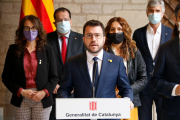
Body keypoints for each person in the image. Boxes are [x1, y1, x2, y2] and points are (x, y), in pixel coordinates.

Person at [57, 20, 134, 116]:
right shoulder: (72, 63)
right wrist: (63, 102)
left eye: (98, 35)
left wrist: (127, 100)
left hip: (109, 116)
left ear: (104, 39)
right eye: (89, 35)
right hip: (81, 116)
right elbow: (64, 89)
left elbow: (126, 88)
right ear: (83, 39)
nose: (94, 39)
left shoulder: (116, 62)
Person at [1, 15, 59, 120]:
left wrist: (44, 92)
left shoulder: (48, 50)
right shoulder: (13, 49)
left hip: (42, 98)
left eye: (33, 28)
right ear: (22, 30)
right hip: (21, 97)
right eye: (26, 28)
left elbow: (54, 77)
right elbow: (6, 78)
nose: (30, 31)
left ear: (38, 30)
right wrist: (22, 91)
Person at [132, 0, 172, 120]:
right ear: (147, 13)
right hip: (144, 85)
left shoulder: (171, 33)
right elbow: (135, 59)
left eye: (157, 11)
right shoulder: (138, 34)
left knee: (163, 117)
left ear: (163, 13)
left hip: (163, 83)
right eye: (151, 11)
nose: (154, 13)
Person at [103, 17, 147, 120]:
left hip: (130, 102)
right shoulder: (103, 52)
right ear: (108, 32)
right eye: (112, 29)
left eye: (119, 29)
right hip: (108, 102)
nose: (116, 32)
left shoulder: (134, 51)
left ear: (125, 31)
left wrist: (126, 91)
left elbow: (143, 78)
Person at [46, 7, 85, 120]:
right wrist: (51, 84)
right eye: (59, 20)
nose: (63, 22)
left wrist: (75, 84)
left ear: (71, 21)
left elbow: (85, 65)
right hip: (52, 92)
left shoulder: (81, 39)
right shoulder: (45, 40)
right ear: (54, 23)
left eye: (66, 19)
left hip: (75, 92)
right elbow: (42, 65)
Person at [151, 3, 180, 120]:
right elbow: (155, 81)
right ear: (176, 20)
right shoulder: (165, 48)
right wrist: (175, 89)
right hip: (173, 112)